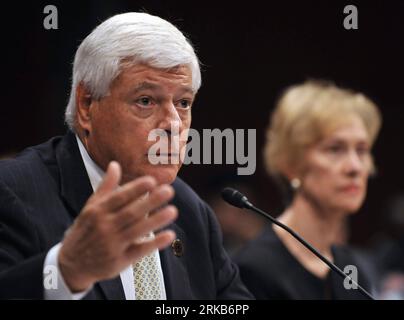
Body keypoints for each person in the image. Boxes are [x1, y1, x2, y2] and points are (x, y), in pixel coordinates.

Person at [0, 12, 253, 300]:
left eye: (183, 103)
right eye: (145, 101)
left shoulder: (190, 212)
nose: (172, 125)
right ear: (86, 105)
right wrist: (66, 271)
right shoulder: (12, 193)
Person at [234, 81, 381, 299]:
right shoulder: (254, 269)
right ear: (291, 164)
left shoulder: (350, 267)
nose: (355, 167)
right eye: (335, 149)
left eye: (361, 150)